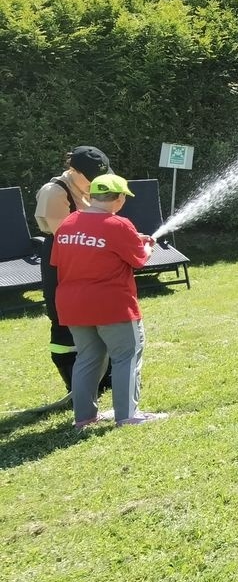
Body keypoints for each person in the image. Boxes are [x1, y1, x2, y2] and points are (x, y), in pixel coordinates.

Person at [50, 173, 164, 428]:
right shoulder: (118, 224)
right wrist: (148, 245)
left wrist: (134, 240)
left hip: (72, 305)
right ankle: (128, 416)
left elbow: (61, 261)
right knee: (126, 356)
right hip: (111, 305)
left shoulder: (68, 223)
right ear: (120, 198)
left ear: (92, 196)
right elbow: (140, 259)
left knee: (88, 358)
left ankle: (84, 418)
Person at [34, 145, 115, 407]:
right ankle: (73, 381)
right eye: (89, 176)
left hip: (91, 254)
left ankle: (107, 378)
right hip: (61, 258)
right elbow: (66, 236)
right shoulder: (54, 192)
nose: (95, 183)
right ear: (74, 170)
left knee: (101, 314)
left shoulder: (99, 180)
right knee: (63, 318)